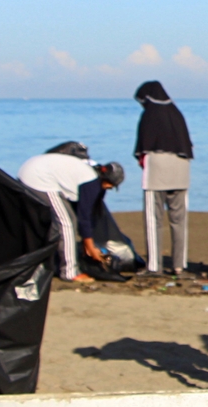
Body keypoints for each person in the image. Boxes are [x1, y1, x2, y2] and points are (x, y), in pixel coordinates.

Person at [18, 146, 133, 282]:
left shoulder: (92, 172)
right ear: (108, 181)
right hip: (39, 178)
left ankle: (52, 263)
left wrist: (87, 243)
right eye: (111, 186)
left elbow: (83, 213)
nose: (109, 188)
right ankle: (69, 272)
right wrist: (90, 247)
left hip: (33, 170)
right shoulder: (92, 182)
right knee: (66, 223)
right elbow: (84, 217)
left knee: (64, 221)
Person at [133, 81, 194, 275]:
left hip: (157, 170)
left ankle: (154, 266)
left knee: (154, 220)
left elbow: (142, 147)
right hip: (181, 170)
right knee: (179, 221)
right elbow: (188, 145)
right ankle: (179, 265)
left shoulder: (149, 115)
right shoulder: (176, 113)